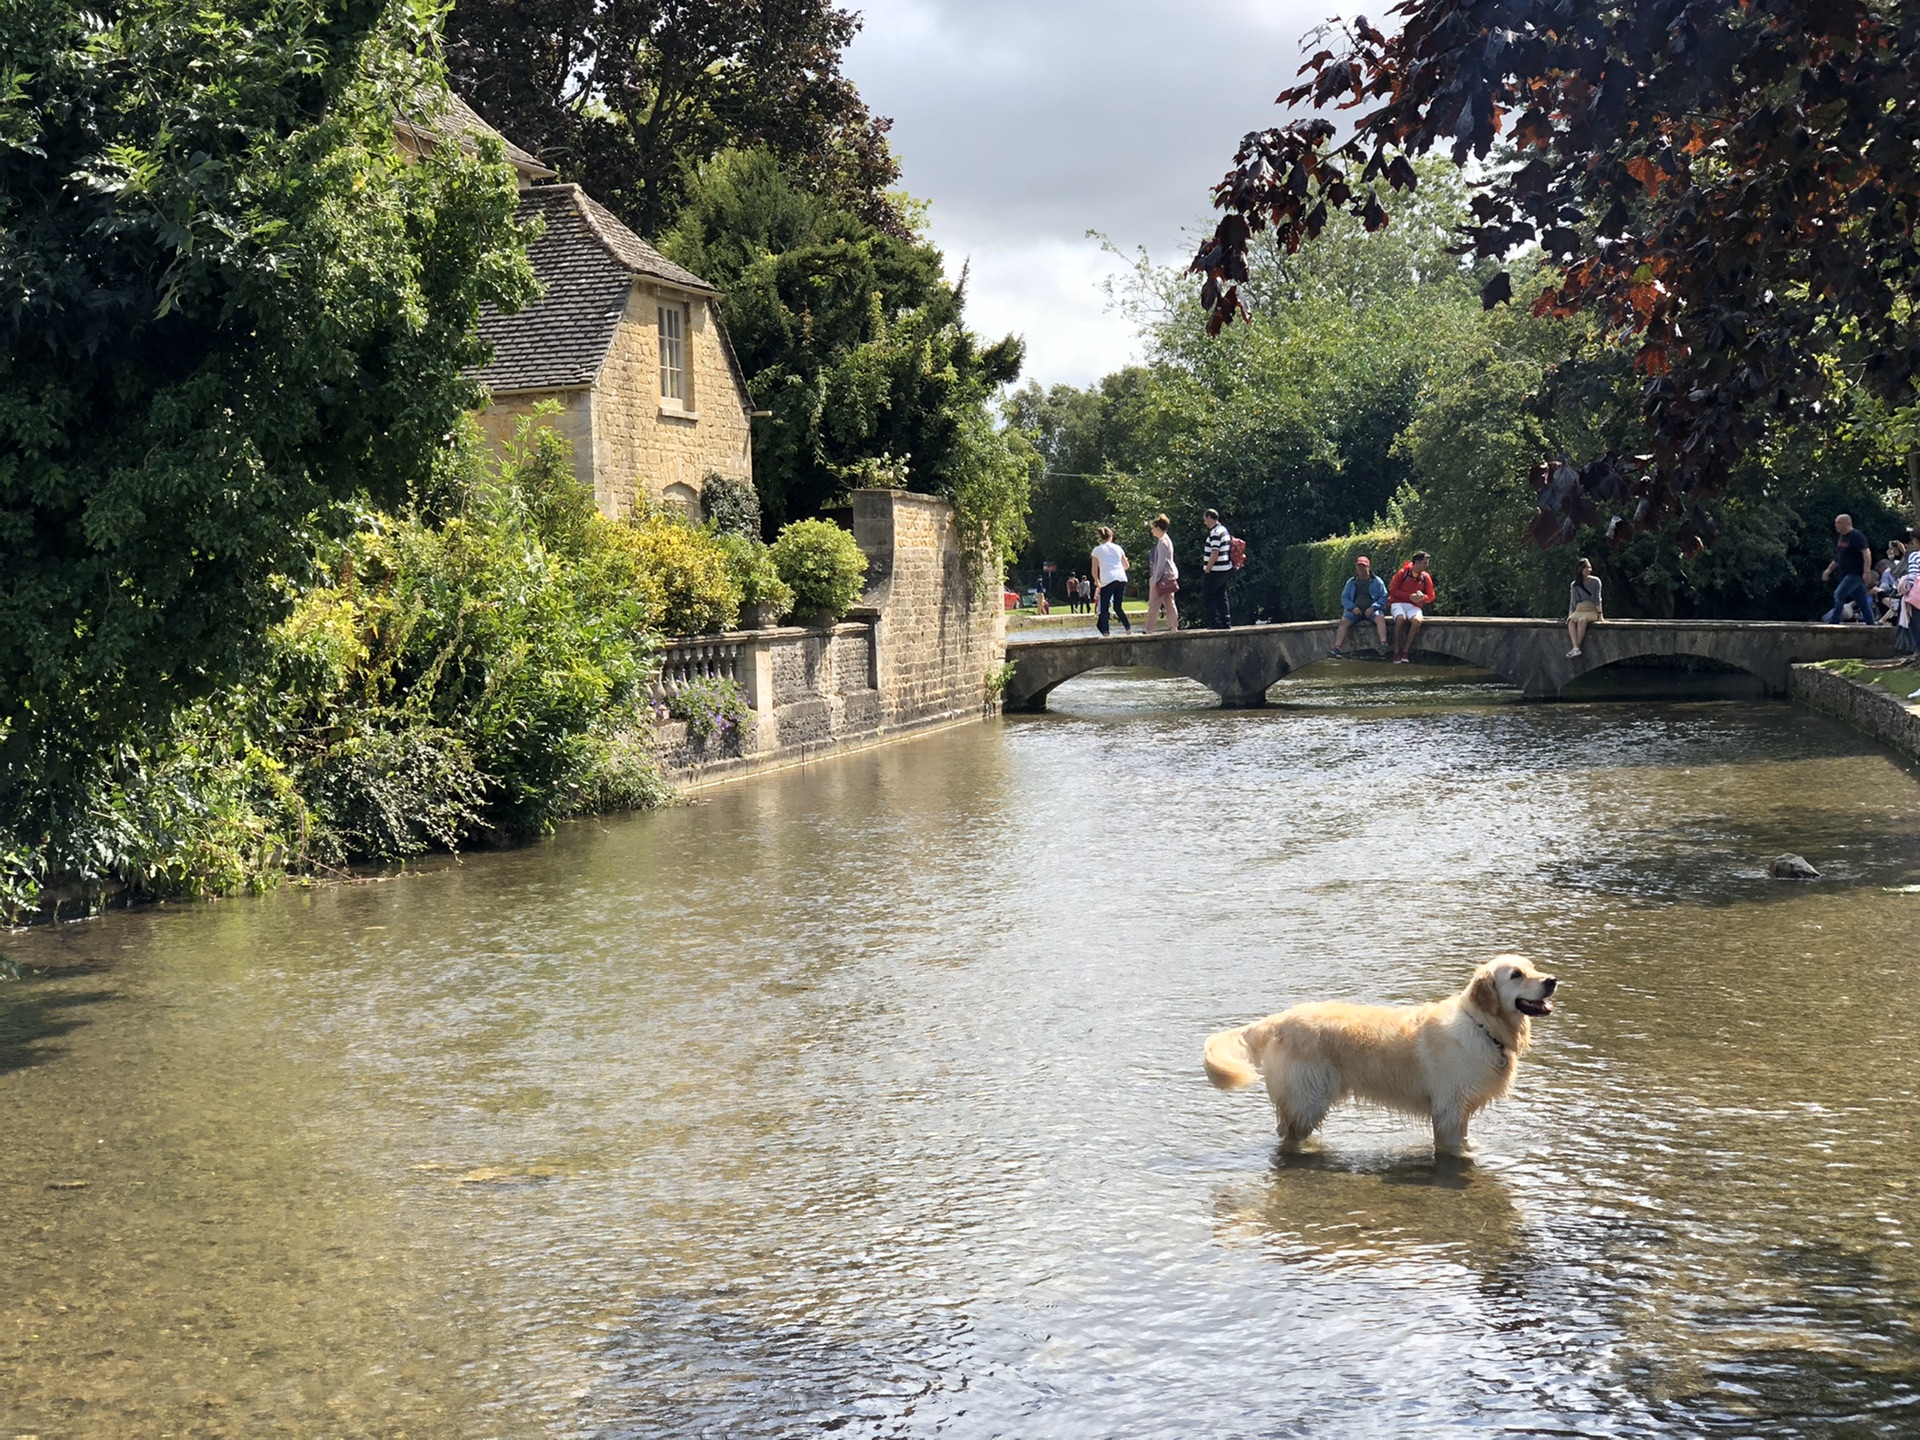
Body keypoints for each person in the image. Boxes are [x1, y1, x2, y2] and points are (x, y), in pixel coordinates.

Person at [1330, 555, 1388, 657]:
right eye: (1359, 566)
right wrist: (1353, 608)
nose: (1361, 569)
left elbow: (1384, 596)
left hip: (1372, 610)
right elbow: (1344, 597)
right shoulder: (1351, 582)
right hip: (1355, 611)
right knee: (1344, 621)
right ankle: (1337, 648)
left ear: (1368, 567)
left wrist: (1373, 607)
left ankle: (1383, 644)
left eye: (1363, 566)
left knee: (1380, 618)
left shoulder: (1377, 581)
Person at [1822, 513, 1873, 623]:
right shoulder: (1842, 538)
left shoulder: (1856, 536)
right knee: (1862, 602)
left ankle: (1834, 621)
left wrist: (1866, 571)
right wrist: (1829, 570)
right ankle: (1871, 624)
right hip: (1845, 573)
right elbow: (1838, 557)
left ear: (1846, 523)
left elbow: (1866, 553)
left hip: (1855, 574)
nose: (1836, 525)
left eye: (1839, 523)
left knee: (1839, 594)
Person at [1388, 552, 1435, 664]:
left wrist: (1422, 598)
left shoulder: (1425, 577)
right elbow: (1392, 590)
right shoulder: (1402, 573)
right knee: (1400, 619)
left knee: (1417, 620)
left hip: (1414, 606)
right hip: (1398, 603)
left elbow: (1431, 596)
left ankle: (1406, 651)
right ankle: (1396, 650)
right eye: (1424, 563)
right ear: (1417, 563)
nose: (1426, 565)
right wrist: (1409, 596)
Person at [1091, 526, 1131, 636]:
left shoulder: (1097, 550)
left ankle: (1106, 632)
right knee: (1118, 606)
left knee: (1104, 607)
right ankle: (1128, 628)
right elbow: (1126, 565)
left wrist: (1096, 580)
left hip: (1108, 578)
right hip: (1121, 577)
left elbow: (1094, 569)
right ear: (1111, 536)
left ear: (1100, 537)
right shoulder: (1118, 548)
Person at [1145, 514, 1179, 633]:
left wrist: (1155, 579)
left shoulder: (1163, 542)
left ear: (1158, 528)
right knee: (1170, 603)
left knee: (1154, 604)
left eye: (1153, 528)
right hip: (1170, 576)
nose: (1152, 530)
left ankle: (1149, 629)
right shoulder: (1167, 539)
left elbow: (1161, 563)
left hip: (1162, 578)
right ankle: (1174, 627)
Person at [1200, 508, 1233, 629]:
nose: (1204, 522)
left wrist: (1208, 568)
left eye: (1205, 519)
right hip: (1225, 568)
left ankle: (1215, 623)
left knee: (1209, 595)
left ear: (1209, 518)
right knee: (1222, 596)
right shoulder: (1224, 530)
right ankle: (1226, 622)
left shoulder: (1215, 533)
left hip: (1215, 570)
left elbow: (1215, 552)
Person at [1566, 557, 1604, 657]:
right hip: (1579, 608)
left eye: (1589, 567)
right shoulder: (1575, 584)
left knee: (1582, 621)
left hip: (1591, 609)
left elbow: (1597, 599)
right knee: (1571, 621)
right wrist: (1570, 614)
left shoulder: (1596, 581)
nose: (1588, 570)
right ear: (1580, 569)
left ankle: (1576, 647)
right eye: (1585, 568)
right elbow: (1573, 601)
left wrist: (1600, 615)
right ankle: (1575, 648)